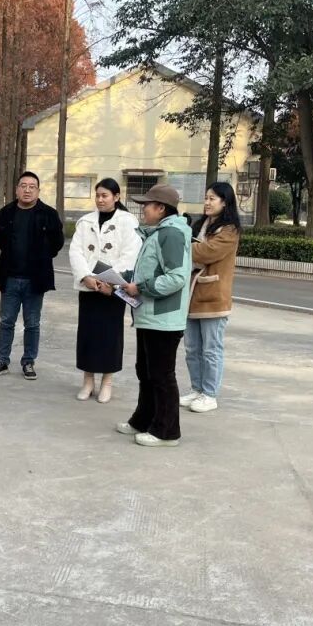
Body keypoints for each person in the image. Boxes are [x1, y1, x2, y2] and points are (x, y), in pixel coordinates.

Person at [114, 184, 192, 447]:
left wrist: (141, 288)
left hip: (164, 317)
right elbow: (147, 272)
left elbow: (177, 277)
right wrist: (122, 282)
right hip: (150, 314)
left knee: (161, 375)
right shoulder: (157, 232)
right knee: (146, 372)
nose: (143, 208)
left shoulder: (170, 233)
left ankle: (166, 431)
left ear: (161, 208)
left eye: (147, 204)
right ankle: (143, 419)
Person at [67, 178, 141, 403]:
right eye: (98, 195)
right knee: (88, 334)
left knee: (110, 336)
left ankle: (107, 381)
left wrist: (110, 280)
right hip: (89, 288)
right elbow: (75, 251)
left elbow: (130, 253)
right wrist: (86, 276)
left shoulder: (128, 222)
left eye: (105, 196)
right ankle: (88, 380)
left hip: (113, 290)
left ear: (116, 197)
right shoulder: (85, 221)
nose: (100, 199)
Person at [0, 171, 64, 380]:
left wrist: (41, 256)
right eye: (23, 185)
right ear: (17, 189)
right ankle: (2, 360)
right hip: (10, 278)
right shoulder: (6, 213)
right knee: (6, 321)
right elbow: (1, 240)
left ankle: (28, 361)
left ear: (38, 191)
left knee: (32, 323)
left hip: (35, 280)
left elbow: (57, 242)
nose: (27, 189)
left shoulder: (48, 213)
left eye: (32, 186)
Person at [182, 182, 241, 413]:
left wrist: (183, 245)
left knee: (211, 350)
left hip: (214, 297)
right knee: (192, 349)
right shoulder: (201, 226)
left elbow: (206, 252)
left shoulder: (229, 230)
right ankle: (197, 389)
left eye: (212, 199)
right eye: (206, 198)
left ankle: (210, 394)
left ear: (225, 202)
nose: (207, 202)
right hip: (192, 296)